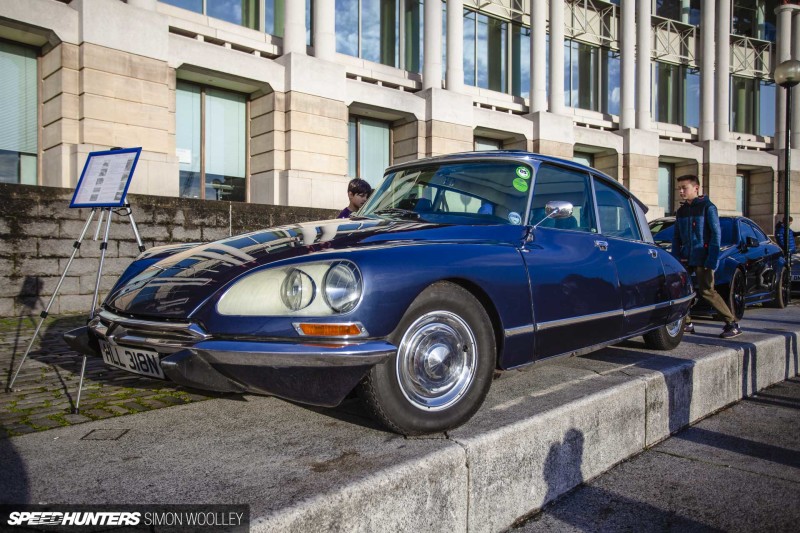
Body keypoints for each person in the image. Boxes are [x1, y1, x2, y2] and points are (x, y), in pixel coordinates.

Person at [671, 174, 742, 339]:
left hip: (703, 257)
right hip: (684, 257)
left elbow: (716, 235)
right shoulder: (681, 211)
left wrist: (712, 259)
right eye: (679, 188)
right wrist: (675, 257)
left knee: (707, 291)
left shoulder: (708, 207)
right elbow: (676, 237)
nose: (681, 191)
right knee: (680, 290)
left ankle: (732, 324)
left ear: (696, 188)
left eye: (684, 188)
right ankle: (687, 323)